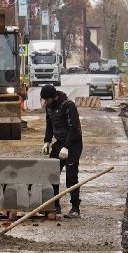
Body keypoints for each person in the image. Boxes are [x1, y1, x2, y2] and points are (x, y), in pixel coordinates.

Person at [39, 84, 83, 218]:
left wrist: (66, 147)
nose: (45, 103)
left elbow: (73, 128)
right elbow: (49, 124)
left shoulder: (68, 106)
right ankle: (55, 205)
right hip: (59, 143)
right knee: (51, 173)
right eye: (44, 100)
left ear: (54, 97)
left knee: (71, 177)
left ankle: (75, 208)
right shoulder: (49, 107)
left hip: (73, 144)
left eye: (47, 100)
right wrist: (47, 141)